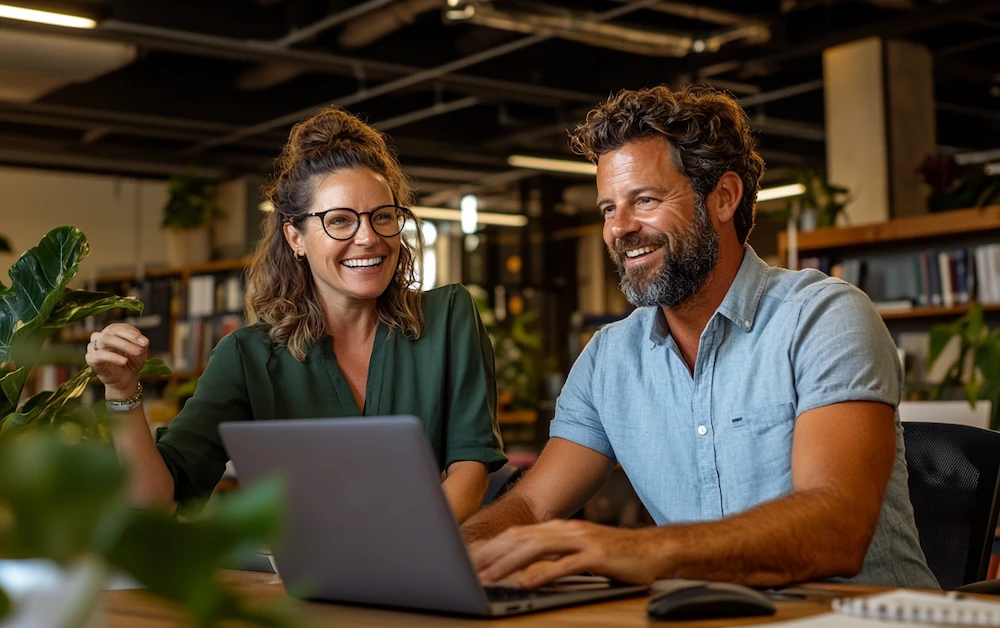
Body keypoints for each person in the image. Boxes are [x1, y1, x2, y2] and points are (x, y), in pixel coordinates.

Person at [463, 85, 938, 589]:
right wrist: (462, 553)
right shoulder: (608, 358)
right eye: (607, 208)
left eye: (644, 200)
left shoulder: (822, 319)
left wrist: (634, 549)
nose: (619, 229)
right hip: (713, 616)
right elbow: (532, 504)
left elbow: (835, 529)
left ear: (724, 197)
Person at [87, 106, 506, 522]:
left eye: (383, 217)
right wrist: (122, 393)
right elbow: (159, 501)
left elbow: (469, 468)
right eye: (339, 221)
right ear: (295, 237)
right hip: (299, 581)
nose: (368, 238)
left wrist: (407, 552)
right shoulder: (248, 357)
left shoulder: (447, 317)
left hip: (427, 562)